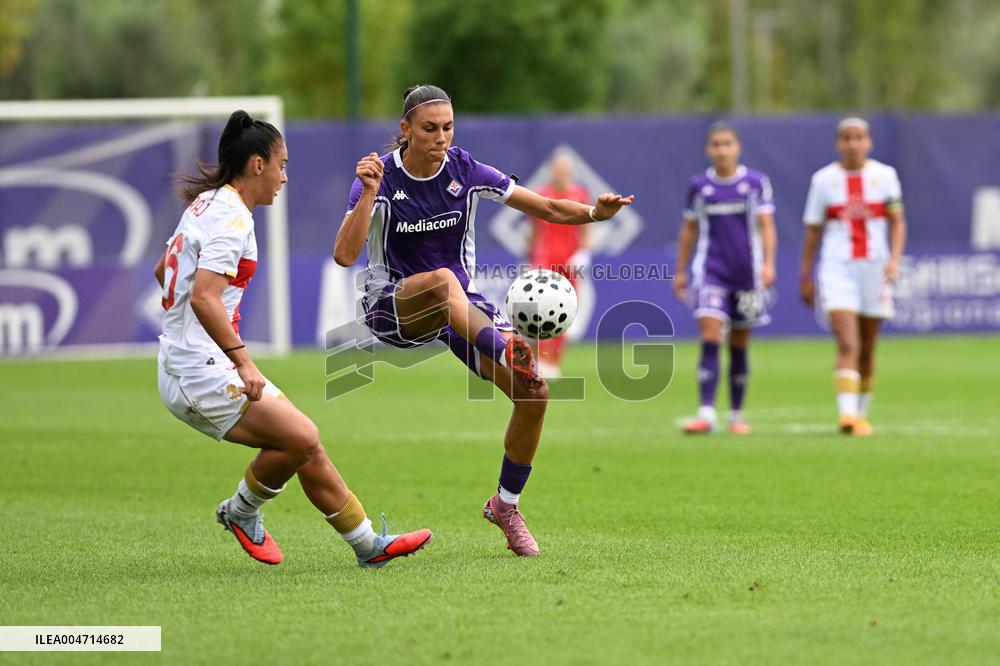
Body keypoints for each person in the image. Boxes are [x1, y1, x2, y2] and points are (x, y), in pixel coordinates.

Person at [334, 84, 633, 557]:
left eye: (448, 126)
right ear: (405, 129)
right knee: (439, 283)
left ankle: (506, 505)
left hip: (460, 308)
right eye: (430, 128)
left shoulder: (465, 170)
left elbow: (549, 207)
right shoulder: (380, 178)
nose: (441, 137)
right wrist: (369, 194)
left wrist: (596, 213)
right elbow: (344, 254)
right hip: (394, 307)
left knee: (534, 394)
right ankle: (502, 344)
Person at [156, 110, 431, 568]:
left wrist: (185, 327)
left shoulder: (207, 205)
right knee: (301, 437)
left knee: (304, 443)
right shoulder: (231, 219)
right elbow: (205, 297)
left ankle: (368, 546)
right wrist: (242, 360)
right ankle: (241, 511)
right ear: (258, 164)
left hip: (193, 359)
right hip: (197, 370)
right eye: (281, 164)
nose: (285, 176)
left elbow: (163, 271)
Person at [799, 116, 907, 436]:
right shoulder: (823, 181)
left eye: (859, 137)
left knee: (868, 345)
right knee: (848, 341)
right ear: (838, 143)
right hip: (837, 268)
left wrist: (895, 259)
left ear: (869, 142)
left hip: (875, 267)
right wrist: (805, 273)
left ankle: (861, 414)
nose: (853, 143)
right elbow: (813, 230)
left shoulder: (885, 176)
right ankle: (846, 415)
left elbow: (897, 221)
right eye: (847, 138)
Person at [672, 122, 777, 435]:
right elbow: (689, 229)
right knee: (710, 335)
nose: (722, 150)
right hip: (710, 272)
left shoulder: (756, 183)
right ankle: (706, 413)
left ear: (738, 147)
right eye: (716, 144)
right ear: (708, 150)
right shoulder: (699, 186)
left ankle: (735, 415)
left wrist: (769, 263)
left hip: (747, 274)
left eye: (727, 143)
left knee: (739, 345)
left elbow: (767, 225)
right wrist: (680, 270)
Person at [525, 153, 592, 378]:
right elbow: (534, 230)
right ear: (551, 170)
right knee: (538, 312)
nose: (560, 174)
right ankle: (539, 359)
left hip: (568, 262)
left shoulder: (579, 195)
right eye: (557, 169)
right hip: (543, 261)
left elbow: (586, 229)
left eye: (564, 170)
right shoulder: (542, 195)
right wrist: (529, 257)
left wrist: (583, 253)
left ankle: (553, 361)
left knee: (564, 312)